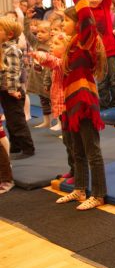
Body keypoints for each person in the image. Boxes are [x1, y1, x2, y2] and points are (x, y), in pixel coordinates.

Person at [55, 0, 108, 210]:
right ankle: (79, 189)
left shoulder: (85, 42)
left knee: (91, 150)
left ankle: (98, 193)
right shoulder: (72, 44)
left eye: (66, 21)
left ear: (77, 23)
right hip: (72, 103)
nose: (62, 25)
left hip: (85, 101)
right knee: (77, 150)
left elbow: (88, 20)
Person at [31, 33, 73, 180]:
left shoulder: (65, 62)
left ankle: (79, 172)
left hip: (68, 107)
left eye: (56, 44)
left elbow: (53, 61)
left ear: (67, 48)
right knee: (67, 142)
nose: (51, 46)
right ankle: (73, 169)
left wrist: (39, 55)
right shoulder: (58, 62)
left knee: (73, 142)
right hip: (60, 106)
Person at [0, 18, 36, 159]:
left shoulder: (12, 50)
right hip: (5, 90)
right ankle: (16, 146)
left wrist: (12, 90)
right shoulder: (3, 47)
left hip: (12, 91)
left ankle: (28, 148)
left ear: (9, 34)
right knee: (10, 120)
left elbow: (13, 72)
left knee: (17, 121)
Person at [88, 0, 115, 109]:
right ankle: (104, 103)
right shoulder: (85, 12)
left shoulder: (104, 5)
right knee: (101, 79)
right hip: (96, 50)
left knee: (113, 78)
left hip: (111, 48)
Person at [23, 15, 53, 128]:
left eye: (43, 32)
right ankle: (47, 121)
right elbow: (27, 33)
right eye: (38, 31)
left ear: (50, 34)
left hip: (49, 78)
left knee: (54, 101)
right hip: (38, 77)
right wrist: (26, 20)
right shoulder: (36, 43)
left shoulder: (51, 45)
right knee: (43, 100)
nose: (39, 34)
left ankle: (60, 122)